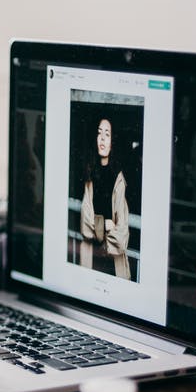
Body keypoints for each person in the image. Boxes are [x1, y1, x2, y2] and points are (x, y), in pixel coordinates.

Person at [79, 117, 131, 279]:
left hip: (113, 263)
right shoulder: (89, 176)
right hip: (91, 258)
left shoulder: (119, 179)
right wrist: (105, 224)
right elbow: (85, 226)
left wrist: (99, 231)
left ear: (112, 141)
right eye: (99, 133)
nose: (102, 138)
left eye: (107, 134)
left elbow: (122, 235)